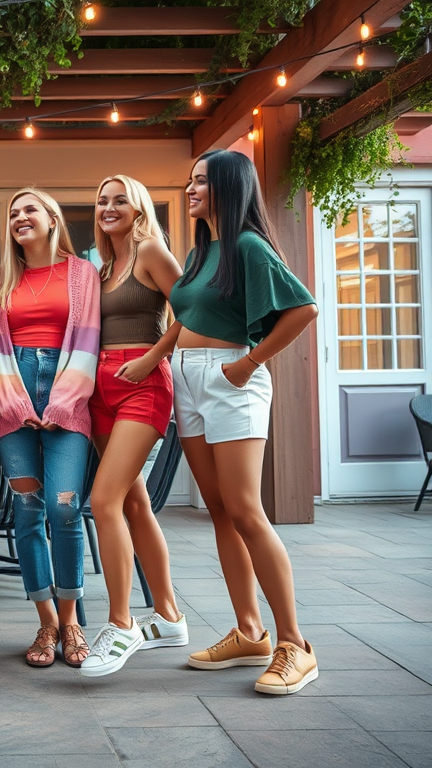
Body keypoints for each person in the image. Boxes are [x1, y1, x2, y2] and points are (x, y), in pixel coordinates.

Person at [171, 149, 319, 694]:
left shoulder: (248, 246)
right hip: (188, 380)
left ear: (229, 189)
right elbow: (185, 317)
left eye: (201, 182)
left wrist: (249, 362)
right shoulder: (202, 250)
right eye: (189, 181)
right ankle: (249, 630)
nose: (190, 190)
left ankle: (294, 644)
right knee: (219, 511)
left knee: (246, 510)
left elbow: (303, 309)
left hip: (231, 378)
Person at [79, 175, 187, 678]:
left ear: (139, 207)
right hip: (100, 387)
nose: (109, 207)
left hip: (142, 383)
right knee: (132, 501)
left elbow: (193, 310)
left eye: (120, 199)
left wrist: (152, 357)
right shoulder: (101, 269)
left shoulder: (150, 252)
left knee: (103, 501)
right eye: (102, 201)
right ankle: (168, 616)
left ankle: (120, 623)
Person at [0, 188, 101, 668]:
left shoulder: (83, 274)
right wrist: (14, 403)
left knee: (64, 510)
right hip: (10, 400)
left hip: (68, 396)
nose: (19, 217)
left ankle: (71, 617)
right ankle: (46, 622)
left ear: (53, 218)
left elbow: (89, 339)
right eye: (13, 213)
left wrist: (60, 403)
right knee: (28, 513)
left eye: (29, 209)